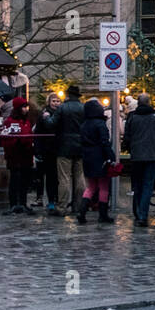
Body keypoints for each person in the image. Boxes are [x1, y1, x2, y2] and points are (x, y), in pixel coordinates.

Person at [123, 92, 155, 226]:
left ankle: (138, 213)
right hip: (154, 155)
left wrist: (130, 149)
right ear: (149, 102)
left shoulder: (133, 117)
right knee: (148, 185)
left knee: (137, 185)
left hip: (137, 156)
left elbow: (127, 137)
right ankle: (143, 215)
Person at [78, 99, 116, 224]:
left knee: (91, 187)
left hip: (87, 157)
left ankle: (82, 211)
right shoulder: (100, 124)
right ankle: (103, 214)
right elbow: (105, 142)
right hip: (100, 157)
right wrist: (111, 156)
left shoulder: (84, 124)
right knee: (103, 187)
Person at [0, 97, 35, 214]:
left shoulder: (27, 122)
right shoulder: (9, 122)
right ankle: (14, 203)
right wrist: (17, 141)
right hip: (15, 156)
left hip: (26, 156)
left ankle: (23, 203)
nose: (26, 109)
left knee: (25, 181)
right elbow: (5, 138)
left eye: (26, 107)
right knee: (15, 180)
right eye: (24, 107)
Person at [54, 84, 85, 214]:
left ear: (67, 95)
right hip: (80, 146)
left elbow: (51, 123)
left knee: (64, 178)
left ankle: (62, 207)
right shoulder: (84, 108)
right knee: (80, 178)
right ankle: (78, 206)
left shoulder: (62, 108)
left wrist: (45, 118)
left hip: (64, 146)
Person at [34, 92, 61, 213]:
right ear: (49, 102)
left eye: (58, 101)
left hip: (57, 149)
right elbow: (38, 134)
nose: (56, 103)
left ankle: (55, 199)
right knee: (47, 176)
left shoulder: (61, 114)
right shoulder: (43, 115)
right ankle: (49, 200)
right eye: (53, 101)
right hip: (46, 149)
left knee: (55, 177)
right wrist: (38, 150)